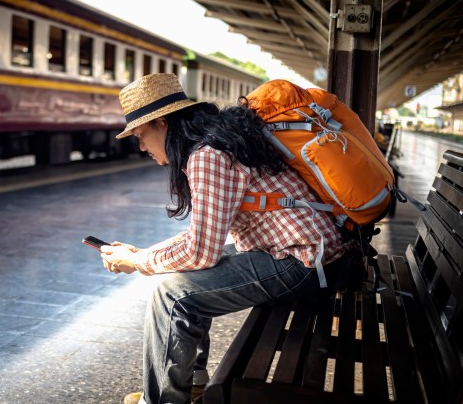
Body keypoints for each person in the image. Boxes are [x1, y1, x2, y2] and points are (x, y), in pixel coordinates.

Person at [99, 73, 356, 404]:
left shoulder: (207, 156)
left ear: (162, 123)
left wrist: (137, 262)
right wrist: (143, 252)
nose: (141, 146)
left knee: (171, 295)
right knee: (184, 278)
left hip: (305, 265)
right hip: (313, 257)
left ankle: (162, 400)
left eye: (141, 135)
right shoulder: (217, 142)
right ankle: (192, 382)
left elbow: (200, 253)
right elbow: (203, 236)